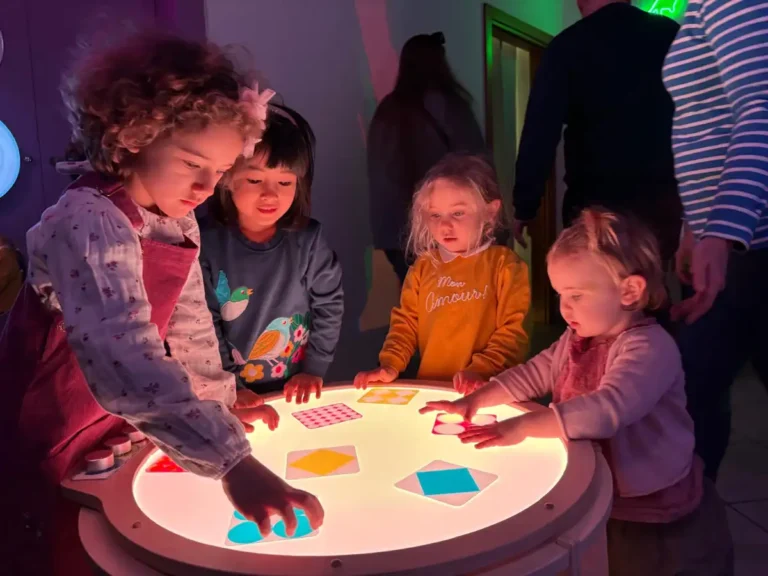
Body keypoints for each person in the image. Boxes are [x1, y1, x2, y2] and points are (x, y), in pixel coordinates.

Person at [0, 33, 322, 576]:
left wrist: (219, 406)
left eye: (220, 170)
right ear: (133, 136)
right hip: (45, 433)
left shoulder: (175, 217)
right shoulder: (87, 220)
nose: (206, 186)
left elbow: (190, 328)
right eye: (192, 163)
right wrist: (231, 463)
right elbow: (125, 359)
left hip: (113, 423)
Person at [421, 209, 734, 576]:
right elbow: (535, 373)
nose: (564, 307)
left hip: (652, 507)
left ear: (629, 291)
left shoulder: (650, 347)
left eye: (576, 295)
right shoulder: (577, 337)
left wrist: (524, 426)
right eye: (560, 295)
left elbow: (608, 409)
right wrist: (477, 400)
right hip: (601, 488)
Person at [663, 0, 768, 481]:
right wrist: (695, 227)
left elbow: (761, 106)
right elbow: (713, 124)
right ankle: (689, 506)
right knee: (694, 387)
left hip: (752, 244)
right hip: (738, 242)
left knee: (691, 388)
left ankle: (685, 508)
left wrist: (723, 229)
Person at [511, 0, 682, 264]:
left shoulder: (568, 46)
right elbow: (702, 116)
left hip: (595, 206)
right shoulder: (671, 35)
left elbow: (540, 132)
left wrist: (525, 206)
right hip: (662, 200)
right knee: (651, 279)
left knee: (596, 282)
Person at [200, 99, 343, 404]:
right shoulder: (205, 243)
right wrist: (231, 386)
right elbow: (202, 322)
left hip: (295, 386)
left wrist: (315, 369)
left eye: (285, 182)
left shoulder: (309, 241)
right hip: (229, 393)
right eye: (255, 179)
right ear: (226, 177)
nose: (271, 194)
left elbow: (329, 305)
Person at [354, 153, 530, 392]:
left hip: (489, 392)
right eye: (435, 215)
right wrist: (390, 365)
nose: (445, 225)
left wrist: (479, 370)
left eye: (458, 213)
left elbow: (513, 333)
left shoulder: (506, 266)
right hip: (432, 388)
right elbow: (405, 325)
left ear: (490, 212)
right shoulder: (424, 267)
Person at [367, 32, 487, 284]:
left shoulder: (387, 109)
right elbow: (477, 166)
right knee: (451, 297)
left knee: (415, 294)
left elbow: (378, 173)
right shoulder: (450, 106)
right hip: (443, 229)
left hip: (394, 231)